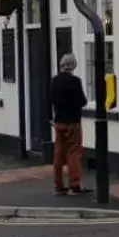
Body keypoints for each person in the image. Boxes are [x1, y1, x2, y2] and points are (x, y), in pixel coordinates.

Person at [50, 53, 90, 195]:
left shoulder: (54, 81)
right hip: (73, 122)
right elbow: (82, 101)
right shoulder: (75, 81)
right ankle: (74, 185)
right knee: (73, 153)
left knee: (58, 155)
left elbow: (52, 100)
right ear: (72, 66)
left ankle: (59, 186)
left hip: (59, 122)